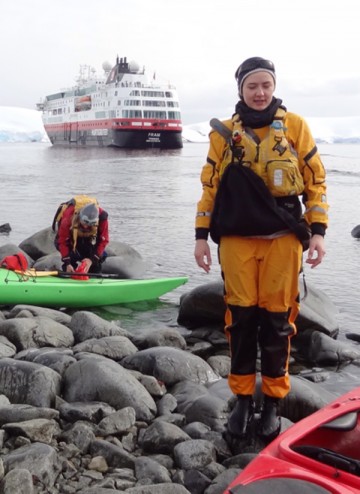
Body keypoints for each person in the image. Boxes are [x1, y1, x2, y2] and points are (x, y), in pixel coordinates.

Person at [194, 57, 328, 443]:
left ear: (273, 87)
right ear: (240, 89)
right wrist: (201, 236)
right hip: (236, 241)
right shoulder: (223, 134)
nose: (260, 92)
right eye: (252, 86)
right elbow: (210, 188)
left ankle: (271, 401)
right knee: (240, 319)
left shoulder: (296, 127)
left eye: (266, 85)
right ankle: (241, 397)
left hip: (282, 241)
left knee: (276, 322)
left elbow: (316, 183)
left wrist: (317, 232)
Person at [56, 199, 109, 274]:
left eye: (90, 224)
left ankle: (94, 275)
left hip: (89, 238)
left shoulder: (102, 217)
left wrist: (92, 260)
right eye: (84, 223)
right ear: (80, 216)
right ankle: (68, 271)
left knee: (98, 258)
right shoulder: (68, 216)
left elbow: (104, 240)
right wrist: (67, 263)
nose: (86, 226)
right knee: (71, 257)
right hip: (72, 236)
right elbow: (62, 241)